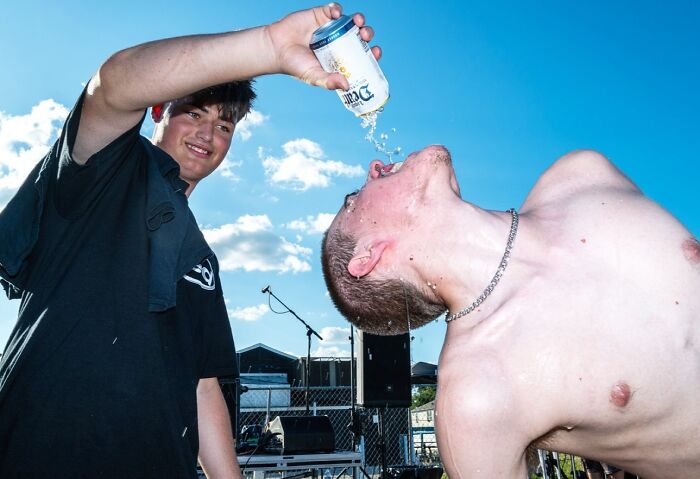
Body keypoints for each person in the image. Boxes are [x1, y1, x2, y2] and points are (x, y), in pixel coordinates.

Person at [0, 4, 380, 478]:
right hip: (44, 454)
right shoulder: (102, 173)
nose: (208, 134)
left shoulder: (202, 259)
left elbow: (201, 383)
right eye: (193, 113)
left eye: (224, 126)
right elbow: (112, 85)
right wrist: (268, 46)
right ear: (158, 111)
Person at [321, 146, 700, 479]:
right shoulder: (475, 399)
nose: (374, 165)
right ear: (367, 256)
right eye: (352, 199)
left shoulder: (579, 174)